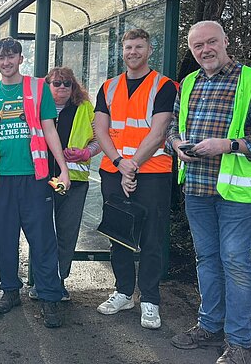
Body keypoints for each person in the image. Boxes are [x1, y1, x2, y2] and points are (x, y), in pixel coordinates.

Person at [168, 21, 251, 364]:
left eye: (211, 42)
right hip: (198, 189)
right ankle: (209, 326)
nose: (205, 50)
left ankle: (240, 344)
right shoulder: (189, 83)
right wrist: (176, 145)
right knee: (207, 260)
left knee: (235, 262)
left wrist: (229, 145)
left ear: (225, 41)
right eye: (198, 45)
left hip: (237, 196)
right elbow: (174, 126)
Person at [0, 37, 71, 328]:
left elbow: (50, 130)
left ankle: (50, 297)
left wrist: (62, 169)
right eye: (0, 58)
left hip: (35, 178)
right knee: (5, 237)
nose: (6, 62)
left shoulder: (38, 88)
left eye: (11, 57)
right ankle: (9, 290)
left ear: (21, 58)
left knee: (42, 239)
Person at [93, 28, 177, 330]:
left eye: (138, 47)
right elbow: (100, 129)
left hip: (152, 171)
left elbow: (158, 133)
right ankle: (124, 291)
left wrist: (132, 167)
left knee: (152, 236)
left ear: (149, 49)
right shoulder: (109, 87)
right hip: (114, 170)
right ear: (122, 50)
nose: (132, 52)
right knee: (119, 235)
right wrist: (119, 163)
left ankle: (150, 299)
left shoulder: (165, 86)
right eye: (128, 47)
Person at [29, 67, 100, 302]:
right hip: (41, 179)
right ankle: (40, 281)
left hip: (74, 183)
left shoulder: (85, 108)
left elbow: (100, 139)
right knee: (42, 233)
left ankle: (59, 281)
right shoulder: (36, 108)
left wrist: (85, 153)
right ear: (47, 85)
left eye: (67, 84)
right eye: (57, 83)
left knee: (67, 234)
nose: (62, 88)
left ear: (74, 87)